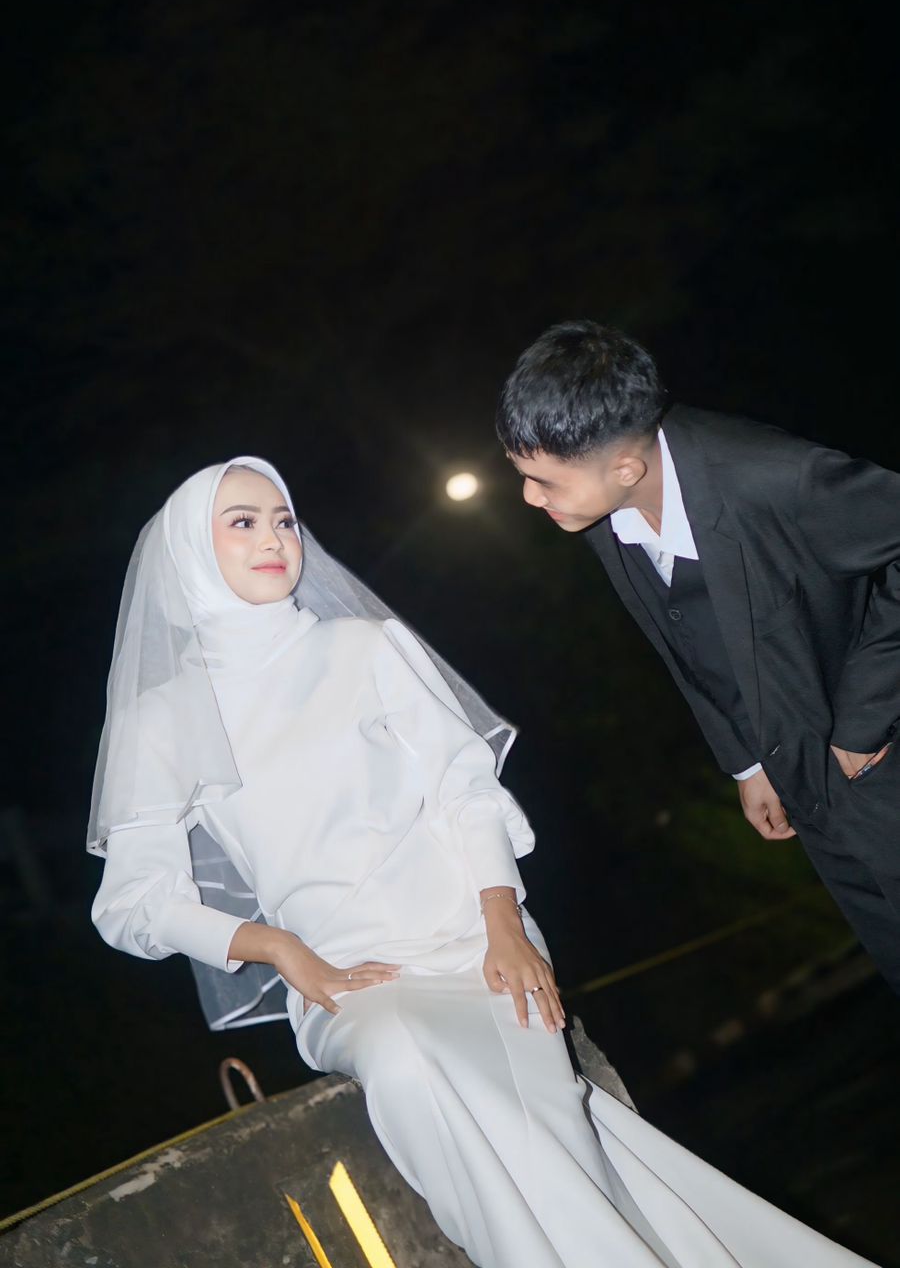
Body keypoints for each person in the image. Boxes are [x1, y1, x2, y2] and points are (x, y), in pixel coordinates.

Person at [89, 456, 874, 1266]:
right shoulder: (162, 721)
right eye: (243, 523)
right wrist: (277, 948)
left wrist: (506, 924)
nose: (274, 539)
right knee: (401, 1059)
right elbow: (132, 903)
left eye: (284, 519)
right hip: (345, 979)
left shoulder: (366, 647)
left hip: (476, 942)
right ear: (190, 552)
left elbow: (465, 789)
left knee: (563, 1156)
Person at [497, 320, 900, 996]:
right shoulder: (601, 511)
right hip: (809, 793)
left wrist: (865, 718)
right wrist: (747, 759)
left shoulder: (776, 477)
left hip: (881, 763)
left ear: (625, 469)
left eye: (544, 482)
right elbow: (682, 638)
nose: (530, 497)